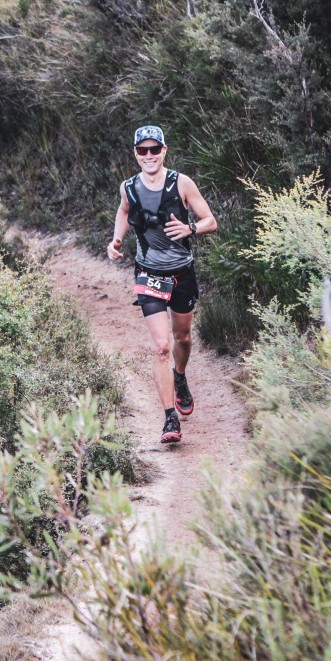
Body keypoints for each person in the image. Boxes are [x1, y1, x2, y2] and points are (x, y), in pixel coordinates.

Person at [107, 125, 217, 444]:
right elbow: (124, 211)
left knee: (182, 337)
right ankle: (170, 418)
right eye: (143, 150)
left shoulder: (181, 183)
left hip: (181, 273)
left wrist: (191, 229)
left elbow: (211, 220)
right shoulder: (128, 187)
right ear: (136, 154)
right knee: (161, 346)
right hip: (149, 273)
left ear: (164, 151)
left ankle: (179, 378)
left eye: (155, 149)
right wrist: (116, 240)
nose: (149, 155)